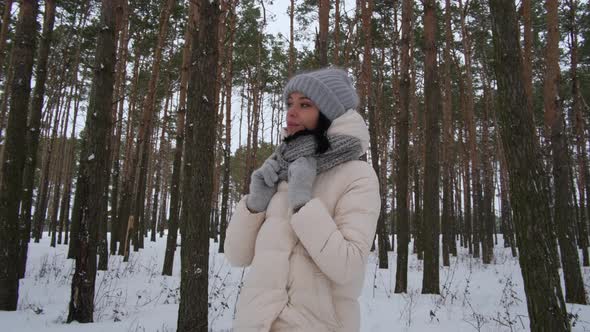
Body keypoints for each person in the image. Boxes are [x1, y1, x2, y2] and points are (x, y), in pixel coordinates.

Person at [224, 67, 381, 332]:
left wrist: (302, 203)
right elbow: (236, 256)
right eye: (289, 103)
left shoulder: (358, 176)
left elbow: (347, 267)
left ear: (329, 114)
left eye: (305, 104)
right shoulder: (281, 168)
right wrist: (255, 202)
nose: (291, 112)